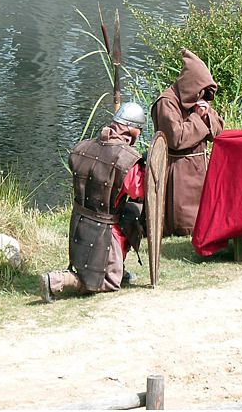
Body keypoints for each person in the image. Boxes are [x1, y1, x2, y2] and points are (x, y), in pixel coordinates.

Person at [39, 102, 147, 303]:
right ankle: (58, 280)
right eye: (138, 130)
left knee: (130, 212)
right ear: (132, 130)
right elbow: (138, 190)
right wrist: (147, 169)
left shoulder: (82, 147)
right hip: (105, 230)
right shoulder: (126, 158)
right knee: (106, 283)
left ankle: (116, 268)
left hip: (79, 222)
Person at [151, 48, 224, 236]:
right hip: (179, 167)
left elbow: (218, 132)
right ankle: (180, 232)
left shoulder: (196, 100)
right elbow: (176, 138)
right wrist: (198, 118)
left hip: (200, 164)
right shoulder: (166, 103)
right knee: (183, 216)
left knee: (202, 212)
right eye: (200, 90)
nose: (202, 96)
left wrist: (207, 116)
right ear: (191, 84)